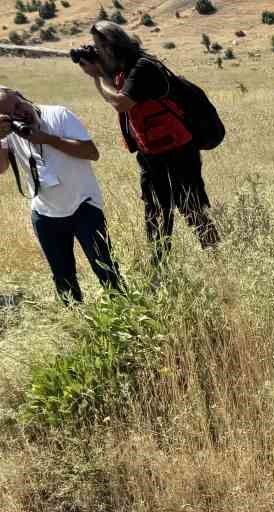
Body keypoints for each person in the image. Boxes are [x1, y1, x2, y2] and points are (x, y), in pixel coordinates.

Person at [75, 22, 219, 259]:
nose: (96, 50)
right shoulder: (122, 71)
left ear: (113, 45)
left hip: (179, 152)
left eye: (100, 46)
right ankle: (160, 271)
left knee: (192, 211)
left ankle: (218, 259)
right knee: (156, 217)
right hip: (151, 156)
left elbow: (121, 103)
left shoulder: (143, 67)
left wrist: (97, 77)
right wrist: (101, 71)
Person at [0, 86, 121, 304]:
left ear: (21, 95)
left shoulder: (58, 114)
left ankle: (126, 316)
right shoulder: (9, 135)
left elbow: (91, 153)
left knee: (106, 270)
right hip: (45, 213)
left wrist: (47, 139)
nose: (21, 113)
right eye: (12, 114)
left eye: (19, 104)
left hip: (83, 206)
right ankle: (77, 323)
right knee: (63, 278)